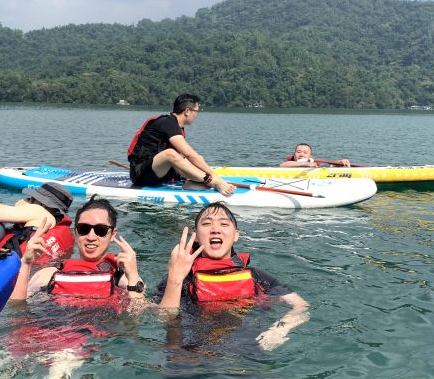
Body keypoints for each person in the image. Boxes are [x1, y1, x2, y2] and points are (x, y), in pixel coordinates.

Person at [157, 202, 310, 351]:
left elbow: (301, 306)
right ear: (195, 236)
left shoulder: (256, 277)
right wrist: (175, 279)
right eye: (206, 224)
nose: (215, 230)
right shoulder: (182, 279)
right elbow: (163, 319)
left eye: (224, 224)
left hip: (247, 353)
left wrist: (279, 329)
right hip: (193, 355)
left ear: (236, 235)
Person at [11, 195, 145, 305]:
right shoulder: (49, 274)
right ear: (75, 233)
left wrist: (133, 275)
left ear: (113, 234)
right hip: (52, 330)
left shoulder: (124, 279)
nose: (91, 237)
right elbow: (16, 308)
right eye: (84, 229)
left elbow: (136, 318)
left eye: (100, 230)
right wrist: (26, 263)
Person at [127, 93, 235, 196]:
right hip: (141, 175)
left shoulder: (177, 126)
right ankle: (211, 182)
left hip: (159, 172)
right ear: (187, 111)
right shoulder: (167, 122)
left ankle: (192, 183)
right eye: (197, 111)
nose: (197, 114)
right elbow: (189, 153)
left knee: (196, 160)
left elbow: (189, 158)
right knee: (171, 154)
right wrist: (214, 177)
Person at [0, 181, 74, 267]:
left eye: (31, 198)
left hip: (12, 273)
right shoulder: (66, 232)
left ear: (42, 204)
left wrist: (19, 209)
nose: (26, 200)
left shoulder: (38, 211)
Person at [279, 142, 350, 168]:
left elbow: (329, 165)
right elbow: (282, 165)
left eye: (305, 152)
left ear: (310, 156)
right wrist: (305, 164)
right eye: (298, 152)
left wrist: (340, 162)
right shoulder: (289, 163)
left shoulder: (313, 163)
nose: (301, 154)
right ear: (294, 155)